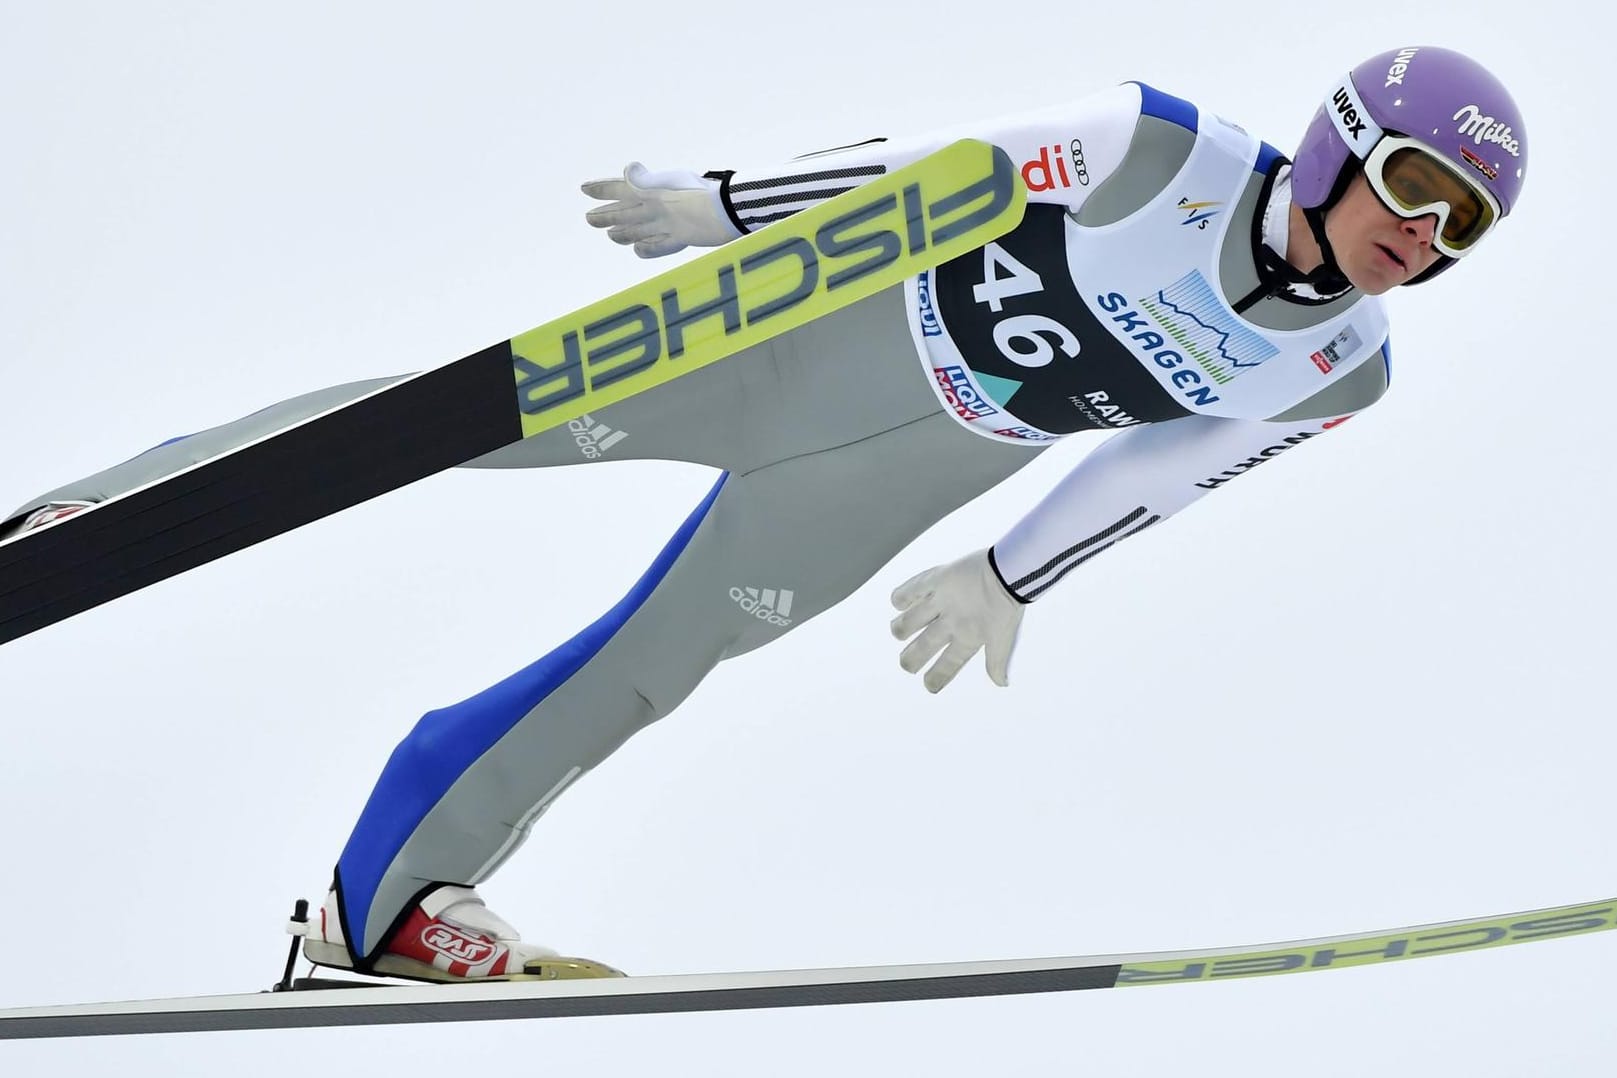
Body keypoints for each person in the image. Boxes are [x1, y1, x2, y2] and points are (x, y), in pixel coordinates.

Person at [5, 45, 1527, 982]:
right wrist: (730, 206)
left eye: (1457, 227)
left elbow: (1161, 472)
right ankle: (90, 514)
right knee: (431, 423)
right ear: (1336, 144)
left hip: (909, 470)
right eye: (1410, 184)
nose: (1419, 235)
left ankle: (386, 900)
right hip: (802, 349)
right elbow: (941, 176)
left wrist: (1010, 573)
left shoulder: (1339, 371)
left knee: (654, 665)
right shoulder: (1155, 148)